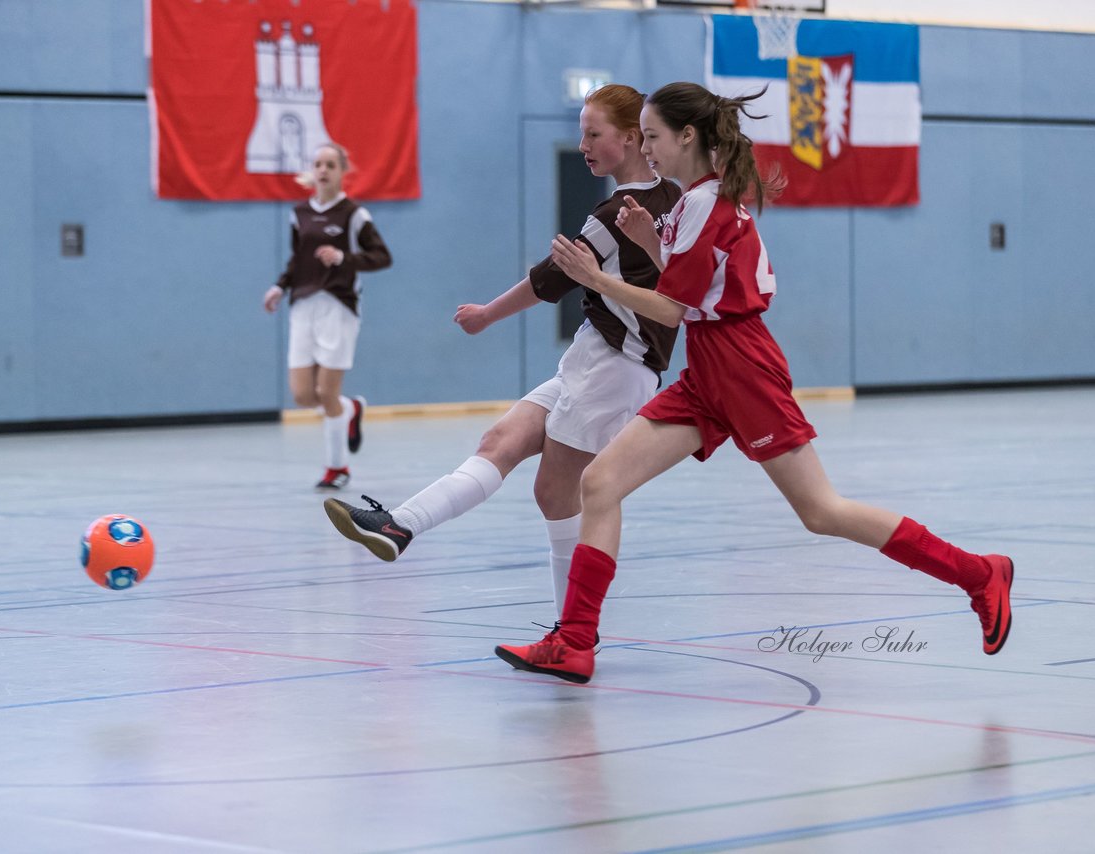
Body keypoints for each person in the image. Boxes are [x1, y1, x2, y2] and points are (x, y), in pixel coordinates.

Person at [495, 82, 1014, 684]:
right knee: (601, 482)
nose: (649, 150)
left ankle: (980, 573)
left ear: (686, 136)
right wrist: (645, 244)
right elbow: (696, 289)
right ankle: (575, 642)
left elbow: (669, 310)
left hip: (743, 369)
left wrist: (596, 276)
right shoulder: (695, 202)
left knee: (821, 512)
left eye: (655, 137)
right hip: (709, 369)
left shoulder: (706, 204)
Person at [322, 84, 683, 623]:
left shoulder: (619, 214)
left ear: (631, 138)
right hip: (590, 356)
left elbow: (549, 279)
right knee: (500, 442)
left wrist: (487, 314)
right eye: (580, 133)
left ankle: (573, 630)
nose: (583, 144)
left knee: (557, 493)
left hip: (616, 367)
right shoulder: (663, 199)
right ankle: (401, 525)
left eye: (593, 134)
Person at [263, 142, 392, 490]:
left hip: (339, 306)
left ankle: (338, 468)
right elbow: (297, 259)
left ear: (342, 170)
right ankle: (350, 410)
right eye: (318, 163)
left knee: (327, 391)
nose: (323, 170)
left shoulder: (355, 215)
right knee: (304, 395)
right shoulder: (299, 214)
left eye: (330, 164)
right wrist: (280, 286)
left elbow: (382, 257)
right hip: (303, 306)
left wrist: (344, 257)